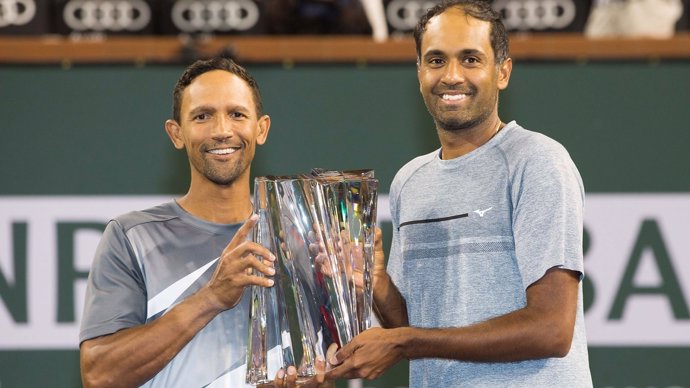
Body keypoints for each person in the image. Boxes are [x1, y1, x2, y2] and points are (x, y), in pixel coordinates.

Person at [326, 1, 593, 386]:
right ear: (418, 71)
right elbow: (416, 325)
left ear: (502, 71)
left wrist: (405, 341)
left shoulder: (537, 162)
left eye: (470, 59)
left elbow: (551, 329)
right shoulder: (409, 180)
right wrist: (378, 284)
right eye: (436, 60)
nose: (451, 75)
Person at [79, 57, 324, 388]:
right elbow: (99, 374)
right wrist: (212, 297)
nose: (222, 131)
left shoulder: (301, 240)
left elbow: (329, 364)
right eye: (202, 116)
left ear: (261, 128)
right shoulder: (130, 237)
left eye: (237, 114)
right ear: (176, 133)